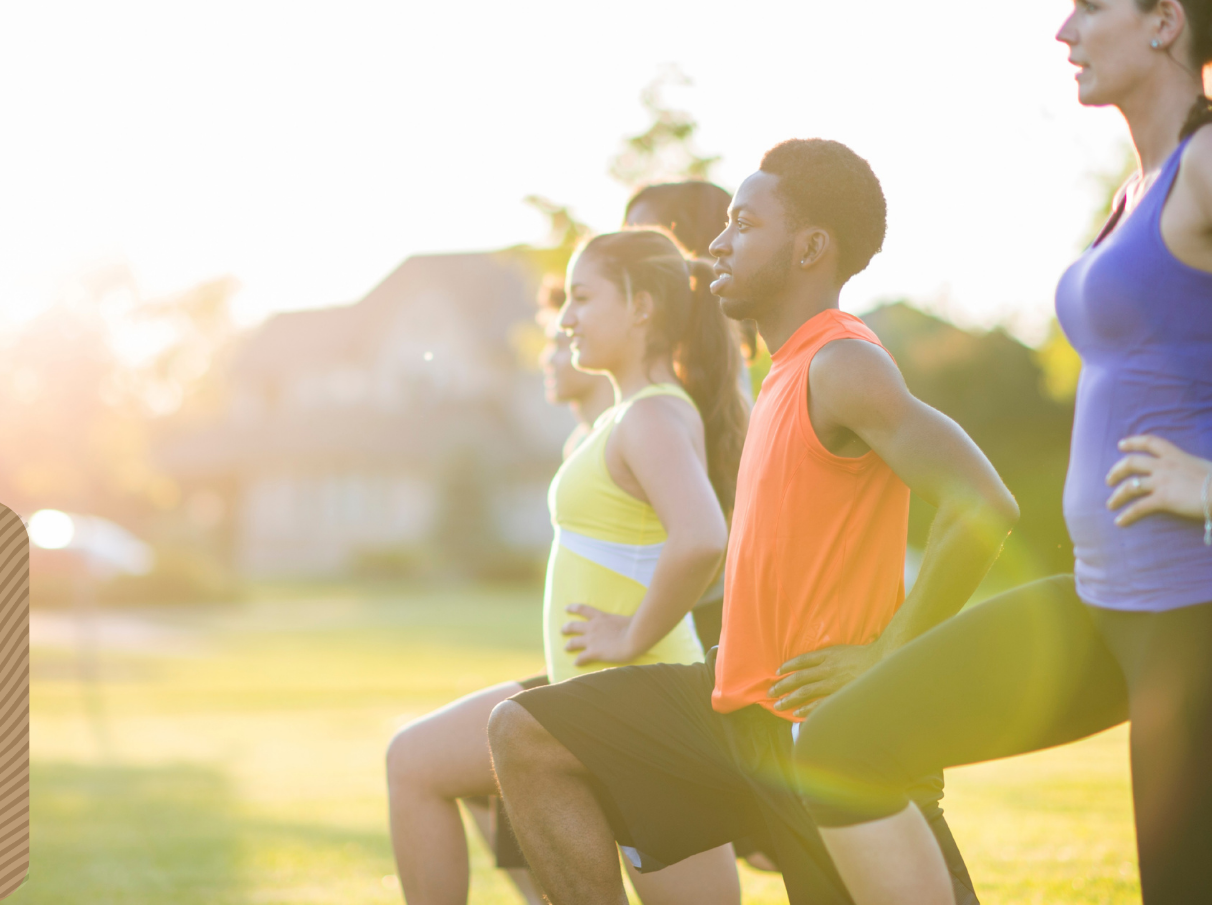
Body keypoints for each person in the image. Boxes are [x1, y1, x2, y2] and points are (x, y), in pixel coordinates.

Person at [790, 0, 1212, 905]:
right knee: (839, 746)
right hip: (1105, 597)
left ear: (1162, 21)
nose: (1063, 33)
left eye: (1086, 5)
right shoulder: (1136, 184)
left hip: (1206, 606)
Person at [487, 139, 1014, 905]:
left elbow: (983, 504)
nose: (718, 242)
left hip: (831, 729)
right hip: (734, 711)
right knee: (525, 734)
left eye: (743, 222)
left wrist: (886, 655)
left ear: (809, 248)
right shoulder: (781, 373)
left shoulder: (843, 364)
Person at [385, 230, 747, 904]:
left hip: (643, 706)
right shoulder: (625, 416)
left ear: (641, 307)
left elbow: (702, 536)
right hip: (586, 698)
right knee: (415, 760)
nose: (567, 317)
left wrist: (632, 633)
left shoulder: (653, 416)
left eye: (583, 297)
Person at [623, 180, 744, 655]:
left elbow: (709, 536)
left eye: (640, 232)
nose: (622, 245)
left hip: (700, 616)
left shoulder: (702, 375)